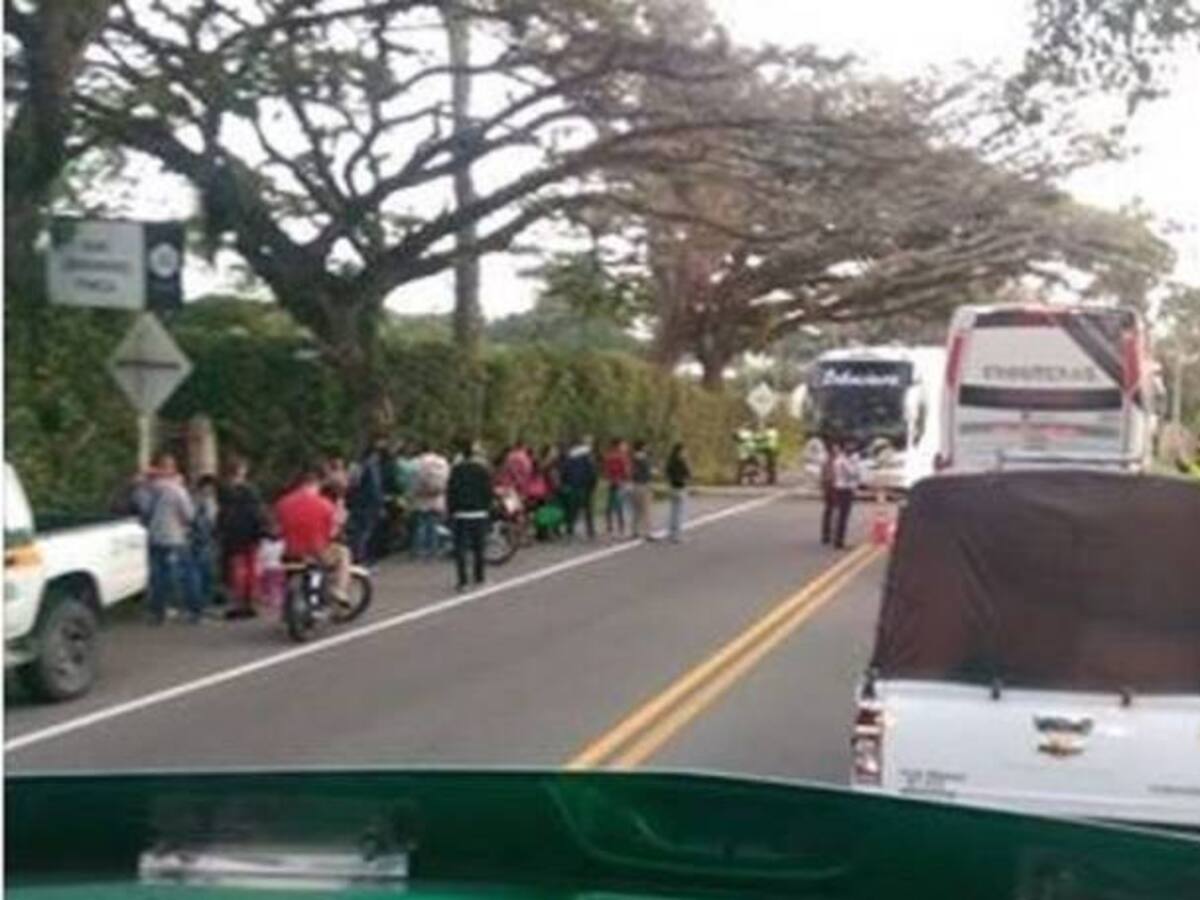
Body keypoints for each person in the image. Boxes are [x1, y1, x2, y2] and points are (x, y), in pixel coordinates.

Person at [137, 452, 206, 624]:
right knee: (189, 573)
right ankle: (194, 610)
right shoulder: (177, 490)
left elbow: (143, 510)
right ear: (171, 469)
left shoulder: (145, 489)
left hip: (154, 536)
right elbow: (189, 514)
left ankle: (158, 612)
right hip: (176, 537)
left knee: (158, 576)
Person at [274, 467, 353, 605]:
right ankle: (339, 590)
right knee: (343, 552)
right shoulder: (325, 505)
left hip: (289, 552)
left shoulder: (283, 503)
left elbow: (276, 529)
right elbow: (332, 533)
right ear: (317, 484)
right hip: (316, 552)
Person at [216, 456, 267, 620]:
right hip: (249, 532)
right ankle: (250, 598)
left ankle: (238, 599)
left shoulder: (223, 490)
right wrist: (262, 529)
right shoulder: (250, 490)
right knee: (251, 566)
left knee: (236, 566)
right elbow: (257, 512)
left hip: (231, 533)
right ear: (242, 470)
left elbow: (221, 513)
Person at [446, 439, 492, 590]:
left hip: (461, 513)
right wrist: (487, 508)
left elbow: (451, 492)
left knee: (460, 549)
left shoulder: (456, 470)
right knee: (479, 547)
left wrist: (451, 511)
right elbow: (488, 491)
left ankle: (462, 581)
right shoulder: (482, 470)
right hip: (479, 513)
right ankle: (480, 578)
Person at [345, 440, 386, 564]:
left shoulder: (358, 465)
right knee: (365, 533)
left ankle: (357, 557)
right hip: (368, 504)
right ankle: (360, 558)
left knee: (359, 532)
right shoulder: (372, 467)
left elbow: (352, 485)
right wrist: (380, 504)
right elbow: (375, 488)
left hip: (359, 503)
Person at [411, 443, 450, 560]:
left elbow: (414, 481)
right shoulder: (442, 462)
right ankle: (434, 550)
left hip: (421, 498)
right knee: (434, 525)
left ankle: (419, 550)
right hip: (437, 497)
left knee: (421, 525)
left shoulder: (417, 462)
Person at [190, 474, 220, 610]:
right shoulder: (202, 500)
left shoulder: (202, 499)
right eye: (210, 487)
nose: (212, 490)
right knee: (203, 571)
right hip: (202, 538)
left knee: (205, 571)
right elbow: (204, 519)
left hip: (204, 538)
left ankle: (203, 602)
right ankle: (201, 603)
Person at [562, 436, 598, 540]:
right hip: (585, 485)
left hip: (573, 485)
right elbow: (592, 471)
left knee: (573, 508)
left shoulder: (570, 456)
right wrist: (593, 485)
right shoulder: (587, 455)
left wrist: (566, 482)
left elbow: (565, 471)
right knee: (587, 508)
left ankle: (570, 529)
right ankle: (590, 531)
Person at [831, 438, 861, 549]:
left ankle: (838, 539)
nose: (852, 449)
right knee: (843, 516)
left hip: (842, 488)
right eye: (850, 447)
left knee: (842, 515)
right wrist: (854, 464)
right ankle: (839, 541)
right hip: (844, 489)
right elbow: (852, 473)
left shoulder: (841, 460)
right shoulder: (842, 461)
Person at [602, 438, 632, 537]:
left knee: (610, 506)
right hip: (621, 484)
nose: (625, 446)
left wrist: (610, 479)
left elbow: (606, 472)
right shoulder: (622, 457)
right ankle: (621, 529)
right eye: (623, 445)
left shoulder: (608, 456)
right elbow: (627, 472)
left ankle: (610, 527)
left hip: (612, 483)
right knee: (621, 507)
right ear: (618, 446)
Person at [665, 442, 691, 543]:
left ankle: (671, 533)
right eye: (684, 451)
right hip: (680, 487)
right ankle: (677, 536)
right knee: (679, 513)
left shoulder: (670, 461)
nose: (685, 453)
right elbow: (688, 473)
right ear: (680, 451)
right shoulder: (682, 462)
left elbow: (667, 473)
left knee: (673, 512)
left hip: (672, 487)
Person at [630, 440, 654, 539]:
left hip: (634, 484)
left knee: (636, 510)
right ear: (643, 447)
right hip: (644, 485)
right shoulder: (644, 459)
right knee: (646, 510)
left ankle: (635, 531)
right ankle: (647, 533)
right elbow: (648, 472)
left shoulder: (632, 458)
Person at [818, 434, 837, 547]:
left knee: (829, 512)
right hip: (832, 487)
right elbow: (827, 476)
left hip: (830, 487)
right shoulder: (830, 461)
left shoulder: (827, 460)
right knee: (831, 511)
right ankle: (828, 534)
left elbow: (823, 476)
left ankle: (828, 534)